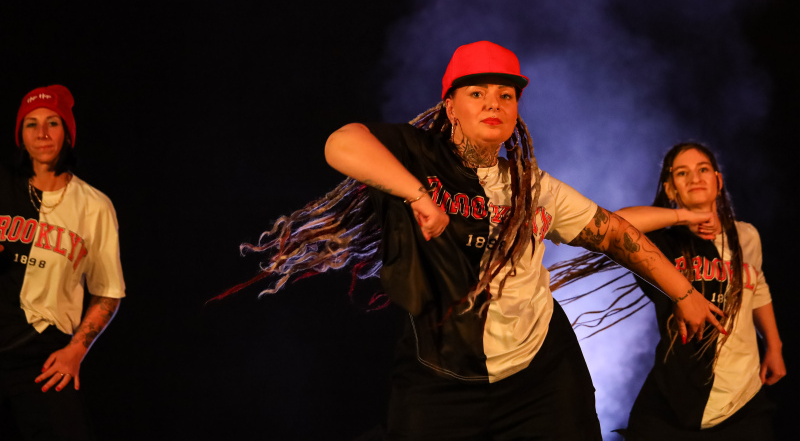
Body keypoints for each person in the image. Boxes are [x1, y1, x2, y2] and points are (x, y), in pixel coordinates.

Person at [227, 41, 724, 440]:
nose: (494, 103)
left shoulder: (533, 186)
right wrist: (417, 195)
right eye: (478, 92)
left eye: (506, 95)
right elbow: (342, 142)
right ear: (450, 106)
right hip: (440, 379)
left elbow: (614, 233)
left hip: (541, 375)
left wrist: (684, 293)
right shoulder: (417, 156)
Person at [551, 142, 785, 440]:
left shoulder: (747, 236)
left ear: (718, 180)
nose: (695, 178)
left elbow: (758, 289)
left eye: (703, 169)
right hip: (678, 396)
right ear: (670, 190)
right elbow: (617, 225)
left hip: (744, 398)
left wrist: (774, 346)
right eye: (682, 173)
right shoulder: (661, 242)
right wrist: (684, 217)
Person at [0, 85, 125, 440]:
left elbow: (108, 292)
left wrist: (75, 351)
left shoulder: (94, 206)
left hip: (42, 358)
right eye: (31, 124)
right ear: (21, 135)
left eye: (52, 123)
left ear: (67, 133)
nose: (42, 133)